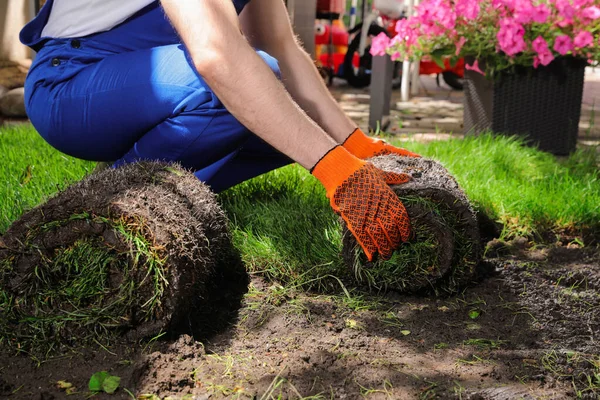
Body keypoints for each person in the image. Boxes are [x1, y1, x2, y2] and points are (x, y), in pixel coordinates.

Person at [20, 0, 420, 261]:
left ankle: (161, 194)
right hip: (72, 84)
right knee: (249, 88)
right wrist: (336, 171)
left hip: (138, 83)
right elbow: (215, 55)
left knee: (291, 118)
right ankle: (95, 203)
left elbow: (280, 45)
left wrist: (352, 145)